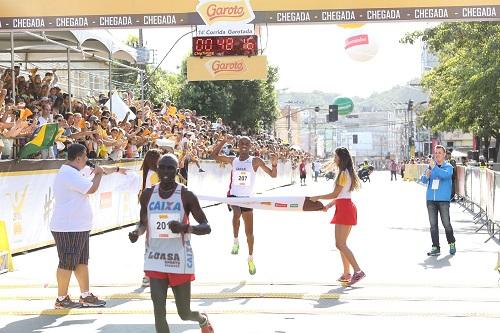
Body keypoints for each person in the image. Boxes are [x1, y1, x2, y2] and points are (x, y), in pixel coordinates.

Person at [128, 154, 214, 333]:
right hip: (155, 258)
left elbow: (206, 227)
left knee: (184, 313)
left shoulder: (186, 195)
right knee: (159, 312)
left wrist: (185, 228)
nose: (166, 172)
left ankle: (202, 319)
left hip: (179, 258)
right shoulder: (148, 194)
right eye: (162, 167)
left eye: (170, 168)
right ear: (157, 169)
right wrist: (137, 232)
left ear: (177, 170)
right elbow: (143, 222)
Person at [50, 143, 125, 309]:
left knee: (81, 261)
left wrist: (117, 169)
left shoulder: (75, 170)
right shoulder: (69, 173)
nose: (87, 160)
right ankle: (61, 298)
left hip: (78, 226)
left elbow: (100, 169)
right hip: (68, 226)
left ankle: (85, 294)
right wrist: (98, 175)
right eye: (85, 157)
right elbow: (91, 188)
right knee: (67, 262)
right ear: (78, 158)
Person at [210, 134, 277, 275]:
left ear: (251, 146)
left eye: (247, 143)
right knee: (236, 213)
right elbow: (214, 155)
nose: (244, 145)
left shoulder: (255, 161)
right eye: (242, 143)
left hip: (248, 198)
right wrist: (223, 141)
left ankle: (250, 257)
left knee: (249, 232)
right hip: (233, 196)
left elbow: (273, 175)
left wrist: (274, 163)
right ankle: (235, 241)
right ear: (238, 146)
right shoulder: (233, 160)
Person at [310, 147, 365, 286]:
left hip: (345, 208)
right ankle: (347, 273)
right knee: (341, 244)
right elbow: (341, 196)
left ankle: (358, 271)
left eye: (335, 156)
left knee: (340, 244)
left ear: (341, 158)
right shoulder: (345, 172)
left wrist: (318, 197)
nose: (334, 158)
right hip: (344, 206)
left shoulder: (343, 173)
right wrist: (329, 205)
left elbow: (335, 194)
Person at [420, 145, 456, 256]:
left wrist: (434, 168)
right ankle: (435, 246)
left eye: (439, 152)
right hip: (430, 199)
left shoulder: (448, 166)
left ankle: (451, 243)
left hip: (443, 200)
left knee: (446, 223)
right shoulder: (431, 166)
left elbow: (445, 175)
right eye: (436, 152)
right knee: (433, 225)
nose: (437, 154)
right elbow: (422, 180)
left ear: (444, 154)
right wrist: (426, 175)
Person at [139, 149, 162, 288]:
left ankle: (149, 275)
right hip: (157, 213)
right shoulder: (154, 175)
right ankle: (149, 275)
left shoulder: (148, 173)